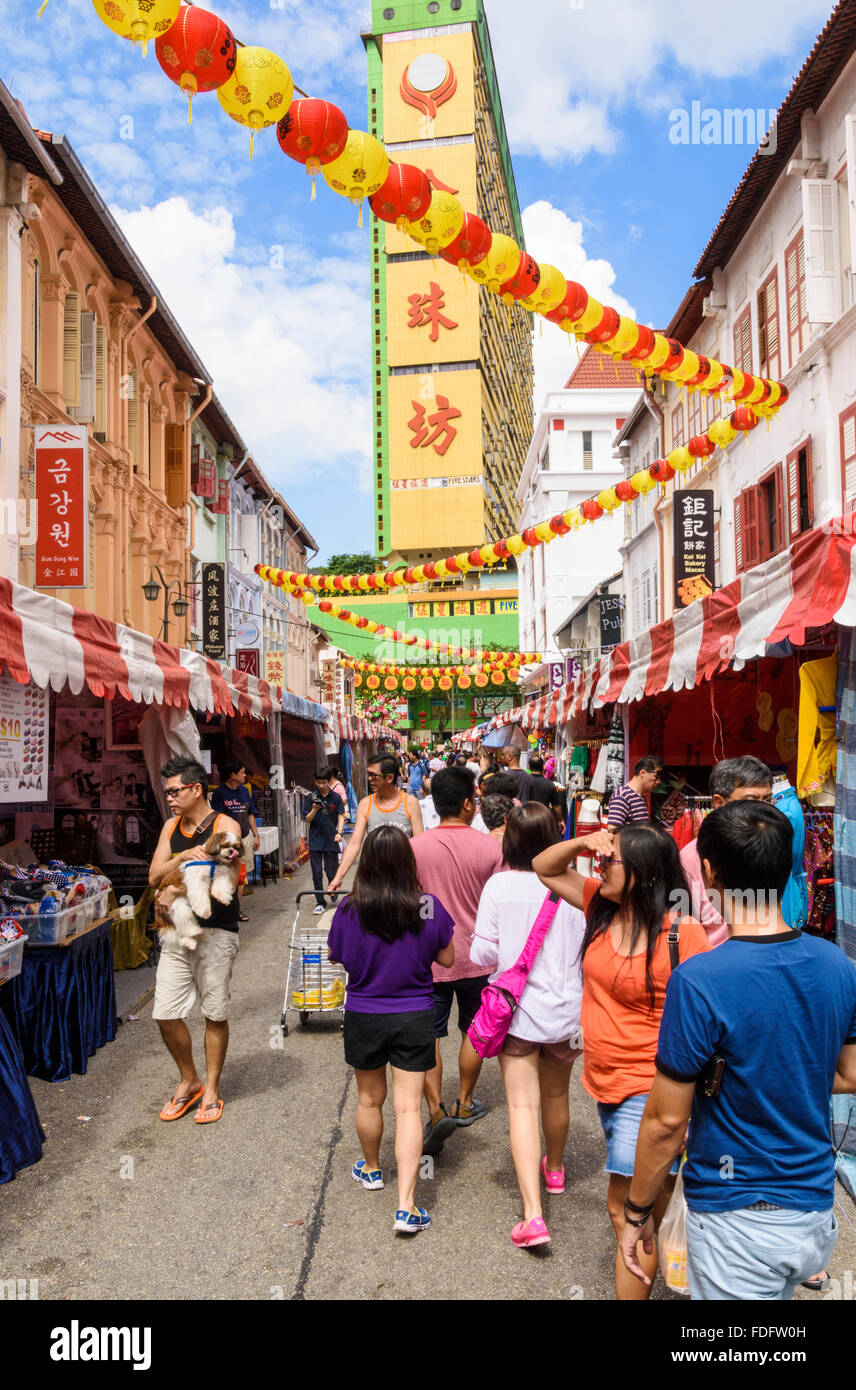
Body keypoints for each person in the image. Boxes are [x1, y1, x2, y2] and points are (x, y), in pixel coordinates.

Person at [620, 800, 856, 1301]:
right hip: (813, 1210)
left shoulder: (700, 980)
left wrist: (636, 1211)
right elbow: (850, 1072)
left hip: (740, 1217)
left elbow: (665, 1122)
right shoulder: (836, 964)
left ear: (707, 872)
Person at [533, 821, 709, 1298]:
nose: (600, 864)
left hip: (649, 1086)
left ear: (645, 874)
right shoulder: (602, 905)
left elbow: (705, 1014)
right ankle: (685, 1270)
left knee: (625, 1209)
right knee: (656, 1203)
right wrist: (584, 841)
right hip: (605, 1081)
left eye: (612, 860)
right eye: (602, 858)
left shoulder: (681, 933)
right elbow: (544, 867)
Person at [327, 826, 455, 1236]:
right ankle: (406, 1206)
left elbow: (338, 958)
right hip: (415, 1014)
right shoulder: (426, 907)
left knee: (368, 1099)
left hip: (364, 1013)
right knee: (408, 1108)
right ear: (407, 862)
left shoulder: (350, 909)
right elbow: (448, 960)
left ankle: (372, 1169)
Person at [471, 804, 586, 1249]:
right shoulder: (576, 884)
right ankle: (554, 1170)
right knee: (557, 1093)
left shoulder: (500, 885)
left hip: (517, 1013)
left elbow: (481, 955)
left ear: (510, 841)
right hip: (568, 1012)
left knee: (522, 1107)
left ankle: (533, 1216)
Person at [411, 767, 503, 1152]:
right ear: (468, 804)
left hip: (428, 957)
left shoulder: (415, 847)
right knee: (472, 1029)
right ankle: (464, 1102)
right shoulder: (492, 848)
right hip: (477, 955)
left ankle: (436, 1110)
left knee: (428, 1033)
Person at [148, 756, 243, 1125]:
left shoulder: (225, 825)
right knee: (164, 1013)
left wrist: (178, 892)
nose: (169, 798)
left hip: (217, 932)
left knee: (214, 1013)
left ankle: (213, 1088)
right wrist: (183, 857)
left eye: (175, 791)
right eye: (167, 792)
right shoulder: (171, 827)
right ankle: (190, 1079)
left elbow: (228, 882)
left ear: (196, 789)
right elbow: (155, 875)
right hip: (176, 933)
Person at [680, 755, 772, 947]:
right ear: (719, 803)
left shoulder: (771, 849)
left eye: (768, 800)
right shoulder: (691, 858)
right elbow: (686, 930)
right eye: (751, 800)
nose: (762, 809)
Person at [329, 755, 423, 893]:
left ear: (390, 778)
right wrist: (339, 876)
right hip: (373, 880)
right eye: (369, 774)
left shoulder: (410, 803)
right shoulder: (365, 804)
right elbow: (355, 844)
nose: (369, 779)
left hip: (404, 880)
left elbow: (419, 845)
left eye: (373, 776)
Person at [211, 759, 260, 922]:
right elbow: (217, 818)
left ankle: (236, 910)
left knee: (241, 878)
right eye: (242, 772)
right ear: (233, 775)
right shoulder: (219, 793)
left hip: (245, 838)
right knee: (226, 875)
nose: (245, 775)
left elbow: (250, 813)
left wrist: (255, 835)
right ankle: (224, 909)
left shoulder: (245, 791)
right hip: (228, 843)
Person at [302, 769, 345, 913]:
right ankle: (320, 902)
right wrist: (314, 810)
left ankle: (332, 890)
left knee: (330, 870)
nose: (321, 785)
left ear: (329, 781)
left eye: (324, 782)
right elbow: (307, 819)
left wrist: (339, 832)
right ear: (315, 781)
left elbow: (341, 815)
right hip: (315, 840)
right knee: (316, 873)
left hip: (331, 838)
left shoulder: (336, 797)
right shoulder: (310, 798)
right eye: (318, 782)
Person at [605, 755, 664, 829]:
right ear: (643, 773)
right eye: (656, 776)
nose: (658, 782)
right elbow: (613, 829)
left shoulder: (640, 796)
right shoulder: (622, 795)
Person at [525, 756, 566, 830]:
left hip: (526, 818)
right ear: (543, 767)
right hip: (543, 819)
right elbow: (556, 806)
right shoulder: (549, 784)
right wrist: (561, 820)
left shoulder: (524, 782)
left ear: (529, 767)